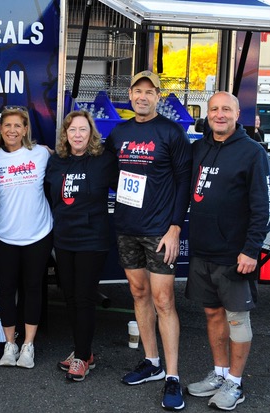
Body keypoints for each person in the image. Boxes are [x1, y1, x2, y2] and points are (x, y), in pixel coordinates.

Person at [105, 70, 192, 411]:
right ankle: (151, 362)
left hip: (159, 231)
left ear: (158, 96)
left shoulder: (171, 133)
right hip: (126, 226)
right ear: (129, 95)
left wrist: (175, 227)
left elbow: (184, 182)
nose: (142, 96)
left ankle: (172, 376)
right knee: (138, 294)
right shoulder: (120, 133)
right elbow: (112, 174)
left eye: (149, 92)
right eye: (137, 91)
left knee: (164, 300)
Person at [186, 91, 270, 411]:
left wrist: (251, 249)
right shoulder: (199, 148)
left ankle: (235, 383)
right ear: (207, 114)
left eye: (226, 109)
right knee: (211, 313)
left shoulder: (252, 153)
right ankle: (220, 373)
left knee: (237, 319)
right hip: (203, 251)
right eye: (214, 109)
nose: (219, 114)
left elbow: (263, 207)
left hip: (236, 255)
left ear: (238, 114)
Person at [45, 110, 118, 382]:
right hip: (64, 238)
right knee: (71, 298)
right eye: (72, 130)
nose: (77, 134)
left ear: (91, 134)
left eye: (83, 130)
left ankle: (83, 356)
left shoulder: (104, 161)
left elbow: (129, 184)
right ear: (66, 134)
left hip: (92, 239)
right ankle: (82, 352)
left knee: (85, 298)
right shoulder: (56, 162)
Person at [0, 106, 53, 369]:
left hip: (38, 234)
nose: (12, 130)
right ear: (0, 130)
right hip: (3, 236)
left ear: (25, 130)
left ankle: (28, 346)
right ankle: (10, 344)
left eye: (18, 126)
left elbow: (66, 161)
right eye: (7, 125)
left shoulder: (40, 154)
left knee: (33, 290)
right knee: (7, 291)